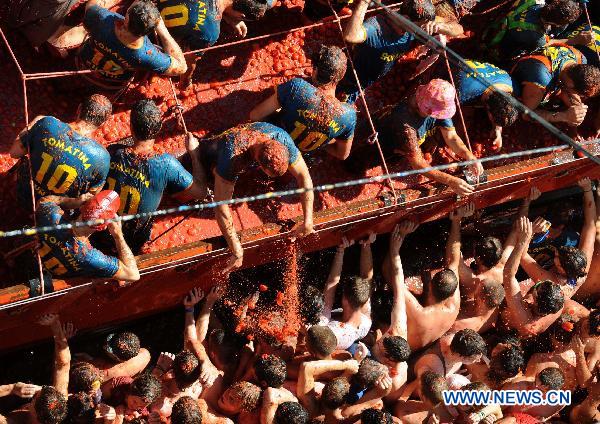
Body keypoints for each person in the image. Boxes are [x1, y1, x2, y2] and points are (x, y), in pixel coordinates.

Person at [185, 121, 314, 273]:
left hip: (251, 134)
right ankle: (195, 154)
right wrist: (236, 248)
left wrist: (308, 220)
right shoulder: (233, 157)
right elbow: (221, 207)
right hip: (221, 149)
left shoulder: (281, 138)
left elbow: (303, 176)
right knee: (206, 183)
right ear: (260, 163)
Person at [99, 100, 207, 254]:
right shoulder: (166, 163)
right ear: (159, 128)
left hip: (100, 229)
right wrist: (195, 154)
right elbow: (201, 192)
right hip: (134, 239)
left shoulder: (113, 151)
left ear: (131, 127)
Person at [350, 79, 482, 196]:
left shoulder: (433, 102)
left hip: (401, 145)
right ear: (430, 112)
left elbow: (451, 137)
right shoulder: (405, 125)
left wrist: (469, 157)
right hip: (372, 145)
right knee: (354, 167)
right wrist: (450, 180)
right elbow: (418, 164)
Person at [340, 0, 463, 103]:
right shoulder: (376, 27)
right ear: (405, 19)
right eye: (419, 26)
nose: (422, 29)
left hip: (371, 79)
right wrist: (363, 3)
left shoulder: (417, 22)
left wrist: (440, 27)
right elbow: (351, 36)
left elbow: (459, 29)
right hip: (351, 79)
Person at [249, 45, 357, 160]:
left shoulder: (297, 88)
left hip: (273, 147)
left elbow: (255, 116)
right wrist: (322, 143)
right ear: (341, 76)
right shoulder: (348, 116)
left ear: (315, 70)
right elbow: (342, 155)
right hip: (299, 158)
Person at [9, 94, 112, 211]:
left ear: (79, 108)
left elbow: (14, 153)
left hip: (22, 193)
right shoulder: (102, 157)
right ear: (103, 124)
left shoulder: (47, 123)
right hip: (53, 211)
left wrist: (36, 122)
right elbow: (89, 199)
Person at [401, 203, 467, 350]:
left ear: (430, 285)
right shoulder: (453, 305)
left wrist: (400, 237)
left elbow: (391, 275)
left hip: (404, 351)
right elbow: (453, 262)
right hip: (426, 337)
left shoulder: (420, 313)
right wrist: (456, 222)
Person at [78, 0, 187, 89]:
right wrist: (162, 29)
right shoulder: (148, 55)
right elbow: (182, 68)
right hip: (112, 82)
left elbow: (90, 5)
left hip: (83, 63)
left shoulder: (103, 18)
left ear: (127, 18)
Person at [158, 0, 268, 87]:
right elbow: (189, 58)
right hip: (155, 33)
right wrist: (185, 81)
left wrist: (228, 17)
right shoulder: (210, 32)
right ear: (242, 16)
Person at [36, 190, 140, 282]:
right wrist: (118, 236)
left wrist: (75, 201)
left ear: (82, 207)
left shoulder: (52, 216)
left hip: (31, 260)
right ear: (104, 228)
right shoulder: (89, 257)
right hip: (53, 276)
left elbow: (44, 200)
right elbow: (133, 275)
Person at [521, 178, 597, 299]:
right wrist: (587, 189)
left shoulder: (549, 280)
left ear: (561, 269)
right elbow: (590, 226)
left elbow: (520, 254)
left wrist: (530, 231)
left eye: (557, 256)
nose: (557, 252)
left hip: (526, 276)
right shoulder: (582, 269)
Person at [502, 217, 566, 337]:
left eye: (537, 285)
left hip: (505, 331)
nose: (538, 281)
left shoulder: (523, 316)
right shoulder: (557, 304)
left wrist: (523, 240)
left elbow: (507, 273)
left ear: (535, 302)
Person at [370, 223, 413, 401]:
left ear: (388, 359)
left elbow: (374, 399)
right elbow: (398, 285)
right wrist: (395, 250)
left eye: (384, 342)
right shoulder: (398, 329)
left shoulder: (388, 376)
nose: (389, 334)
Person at [511, 44, 600, 127]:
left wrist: (578, 110)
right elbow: (526, 114)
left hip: (543, 70)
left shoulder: (580, 58)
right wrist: (564, 116)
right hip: (524, 77)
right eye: (581, 95)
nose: (581, 97)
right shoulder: (540, 81)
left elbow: (569, 92)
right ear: (571, 84)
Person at [483, 0, 583, 61]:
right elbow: (548, 43)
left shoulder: (534, 1)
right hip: (500, 47)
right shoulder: (538, 38)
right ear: (556, 25)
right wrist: (574, 40)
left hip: (495, 25)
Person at [321, 237, 373, 350]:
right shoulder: (365, 322)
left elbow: (331, 283)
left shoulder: (331, 331)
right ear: (364, 300)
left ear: (345, 300)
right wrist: (366, 245)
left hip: (326, 343)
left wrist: (340, 251)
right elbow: (367, 277)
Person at [454, 60, 519, 150]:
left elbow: (503, 106)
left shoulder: (509, 83)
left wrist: (497, 130)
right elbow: (461, 115)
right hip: (454, 71)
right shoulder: (465, 93)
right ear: (487, 108)